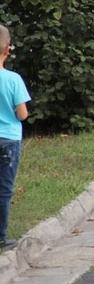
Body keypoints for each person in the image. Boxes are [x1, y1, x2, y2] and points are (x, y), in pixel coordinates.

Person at [0, 25, 30, 251]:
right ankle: (1, 236)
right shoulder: (13, 79)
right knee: (3, 189)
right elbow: (22, 114)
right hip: (8, 140)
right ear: (7, 51)